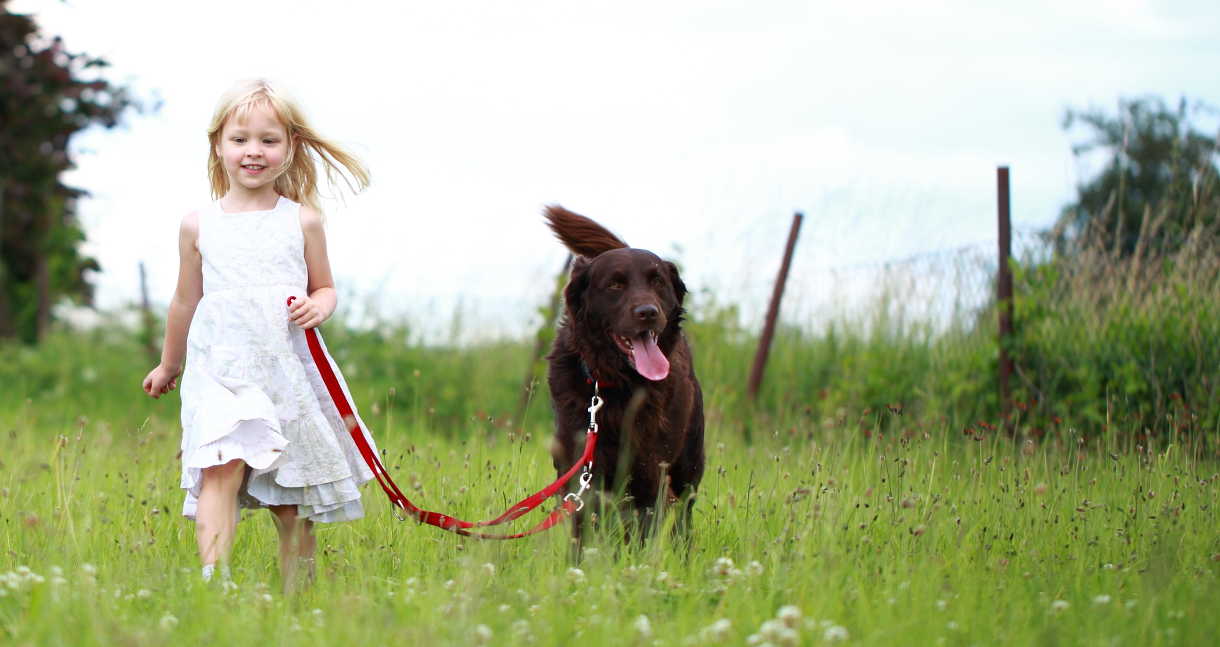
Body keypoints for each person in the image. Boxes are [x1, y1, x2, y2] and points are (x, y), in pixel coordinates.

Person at [142, 78, 376, 592]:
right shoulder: (197, 224)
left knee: (290, 492)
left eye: (269, 140)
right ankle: (214, 583)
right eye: (240, 139)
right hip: (221, 370)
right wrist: (169, 364)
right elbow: (185, 300)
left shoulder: (303, 221)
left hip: (284, 368)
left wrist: (320, 305)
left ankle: (300, 593)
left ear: (290, 148)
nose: (254, 151)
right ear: (219, 146)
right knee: (218, 468)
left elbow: (326, 286)